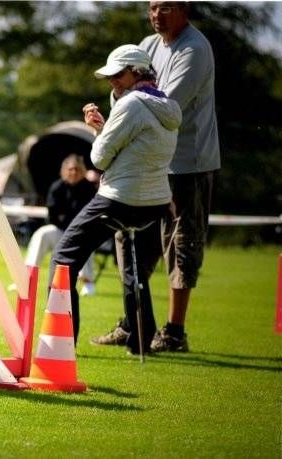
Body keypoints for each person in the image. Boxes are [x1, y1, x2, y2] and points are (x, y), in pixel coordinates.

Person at [92, 2, 220, 352]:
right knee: (130, 239)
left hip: (187, 163)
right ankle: (133, 322)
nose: (156, 14)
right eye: (152, 7)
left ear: (184, 9)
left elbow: (165, 105)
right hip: (145, 163)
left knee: (181, 242)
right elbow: (124, 93)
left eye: (165, 7)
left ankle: (174, 332)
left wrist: (122, 109)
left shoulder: (194, 48)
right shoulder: (146, 46)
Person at [51, 44, 181, 354]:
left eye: (117, 75)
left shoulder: (131, 104)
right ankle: (141, 341)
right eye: (109, 78)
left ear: (136, 72)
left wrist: (97, 133)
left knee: (62, 261)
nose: (113, 83)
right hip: (156, 202)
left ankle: (59, 346)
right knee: (133, 272)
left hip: (119, 198)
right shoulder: (167, 105)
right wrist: (104, 128)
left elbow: (98, 159)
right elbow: (132, 147)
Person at [25, 154, 98, 296]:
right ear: (64, 170)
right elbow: (52, 215)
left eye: (77, 169)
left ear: (82, 170)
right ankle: (27, 276)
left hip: (81, 232)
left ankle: (88, 282)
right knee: (42, 234)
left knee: (86, 240)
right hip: (60, 230)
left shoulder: (89, 189)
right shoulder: (57, 187)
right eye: (70, 169)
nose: (74, 172)